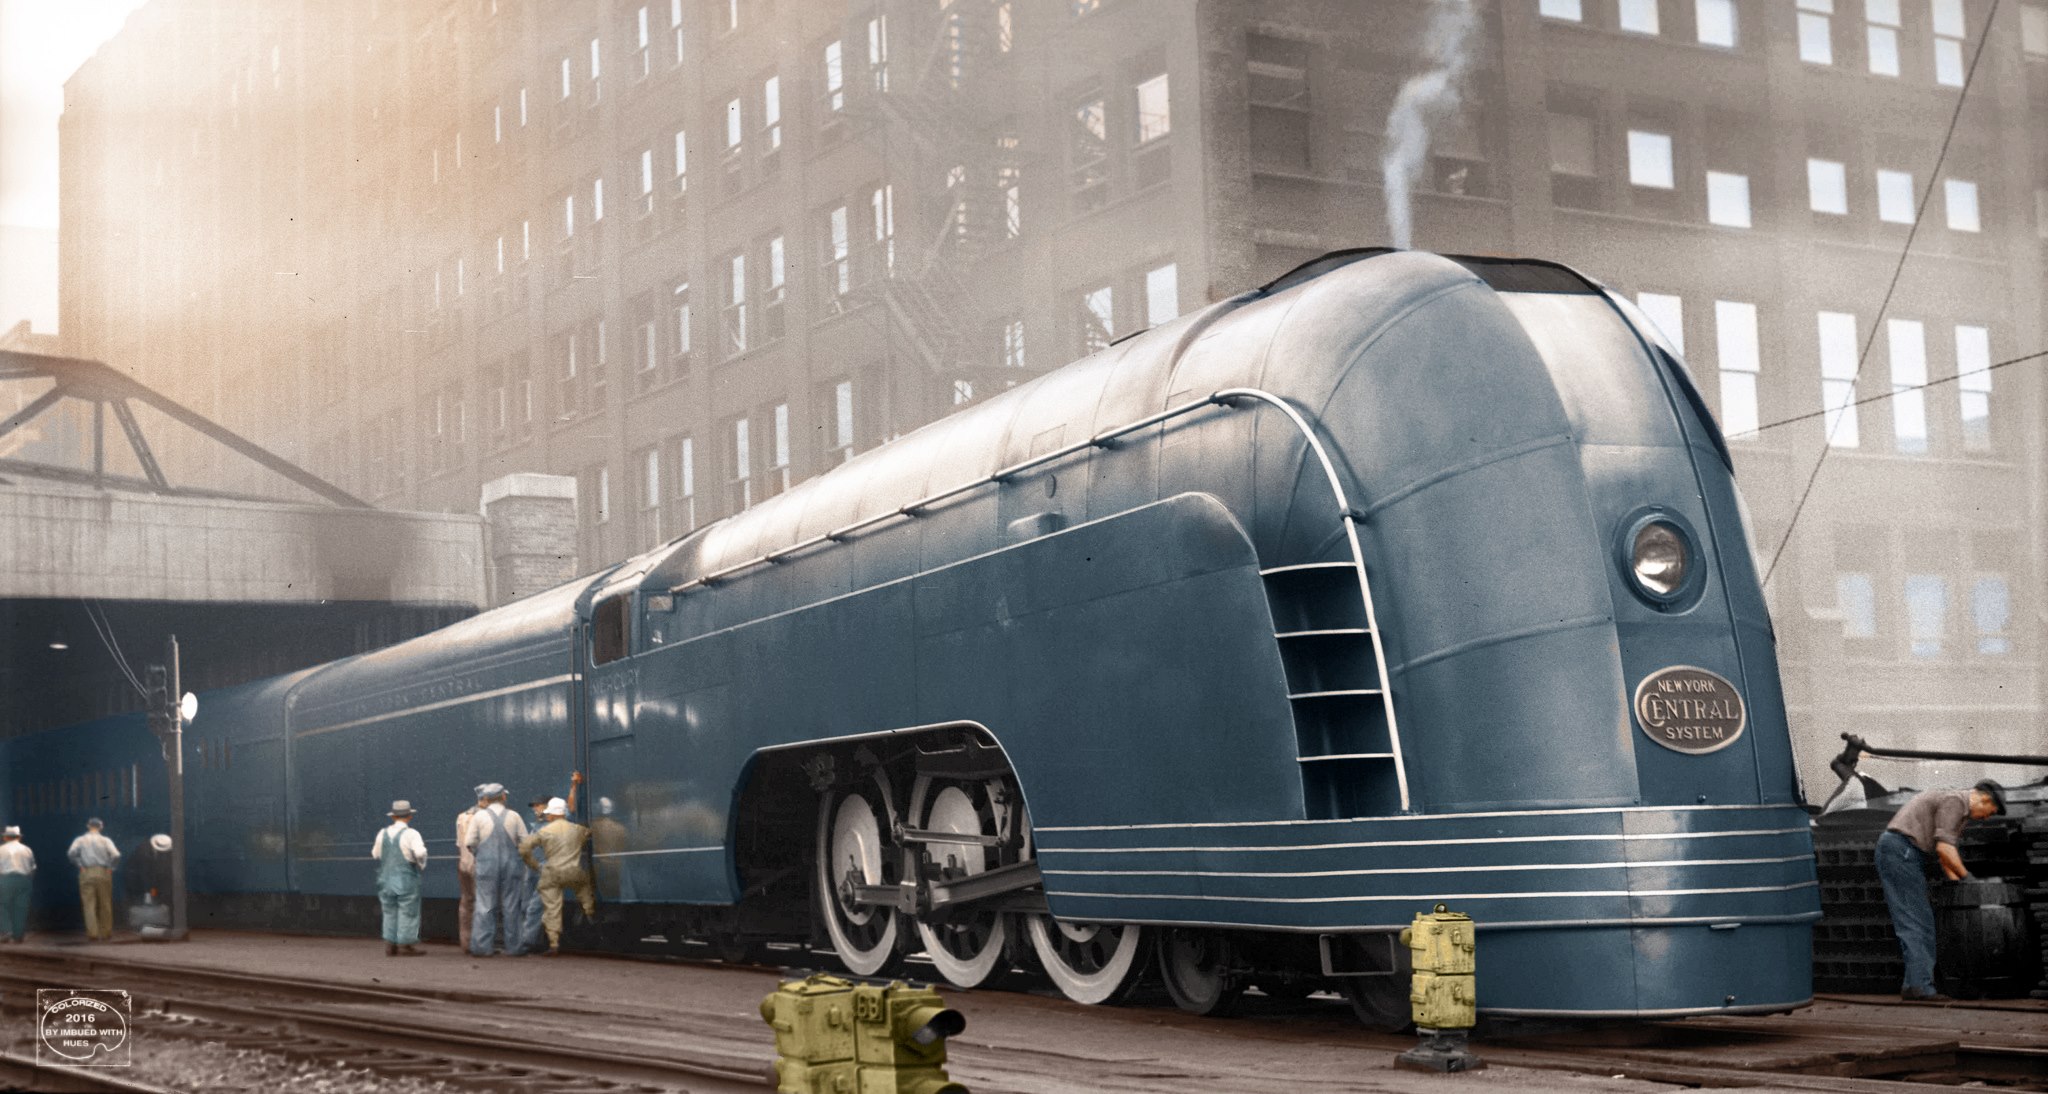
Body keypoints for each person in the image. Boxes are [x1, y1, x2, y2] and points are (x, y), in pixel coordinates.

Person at [1878, 780, 2006, 1001]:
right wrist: (1970, 880)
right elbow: (1945, 850)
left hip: (1901, 852)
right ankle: (1920, 988)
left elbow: (1947, 857)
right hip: (1901, 852)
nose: (1985, 818)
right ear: (1984, 799)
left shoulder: (1959, 809)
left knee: (1917, 920)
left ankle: (1913, 985)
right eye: (1988, 813)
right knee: (1917, 921)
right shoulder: (1955, 801)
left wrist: (1960, 885)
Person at [520, 796, 595, 956]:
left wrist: (535, 865)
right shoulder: (576, 828)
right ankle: (591, 915)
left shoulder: (544, 830)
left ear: (551, 814)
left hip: (552, 872)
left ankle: (543, 944)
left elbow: (525, 848)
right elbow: (589, 833)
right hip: (574, 871)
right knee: (585, 894)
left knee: (542, 908)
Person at [518, 772, 580, 956]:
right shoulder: (537, 823)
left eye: (538, 805)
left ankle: (527, 942)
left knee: (534, 907)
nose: (535, 808)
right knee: (529, 905)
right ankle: (542, 943)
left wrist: (574, 785)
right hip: (533, 869)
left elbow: (570, 806)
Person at [464, 783, 528, 956]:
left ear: (486, 799)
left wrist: (483, 855)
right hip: (511, 866)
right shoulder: (514, 816)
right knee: (512, 906)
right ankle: (514, 947)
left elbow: (470, 842)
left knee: (485, 905)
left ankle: (482, 947)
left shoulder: (479, 817)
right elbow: (525, 842)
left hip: (486, 866)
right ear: (504, 797)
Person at [372, 800, 428, 956]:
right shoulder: (412, 834)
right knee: (408, 910)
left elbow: (376, 854)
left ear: (393, 816)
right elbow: (420, 853)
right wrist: (420, 863)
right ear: (409, 816)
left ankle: (390, 944)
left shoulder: (382, 833)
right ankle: (405, 944)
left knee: (389, 910)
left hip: (385, 878)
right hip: (406, 878)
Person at [67, 818, 120, 942]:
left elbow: (71, 853)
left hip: (86, 871)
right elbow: (116, 855)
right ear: (101, 827)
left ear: (88, 826)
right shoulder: (106, 840)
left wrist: (79, 864)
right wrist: (111, 867)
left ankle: (93, 933)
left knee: (88, 904)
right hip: (103, 871)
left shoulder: (80, 840)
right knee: (105, 903)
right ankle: (106, 932)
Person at [455, 784, 488, 952]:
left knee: (466, 904)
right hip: (479, 865)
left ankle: (466, 942)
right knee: (483, 904)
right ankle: (480, 943)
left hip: (463, 864)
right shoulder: (485, 818)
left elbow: (460, 843)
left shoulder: (462, 817)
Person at [125, 835, 173, 930]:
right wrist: (149, 890)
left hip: (147, 879)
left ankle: (149, 924)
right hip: (135, 879)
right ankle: (140, 926)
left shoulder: (158, 852)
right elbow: (144, 873)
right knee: (139, 902)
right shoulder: (144, 852)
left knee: (149, 901)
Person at [0, 827, 35, 943]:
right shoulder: (27, 850)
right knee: (21, 908)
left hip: (5, 879)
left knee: (3, 905)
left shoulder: (1, 850)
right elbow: (33, 868)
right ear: (19, 837)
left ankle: (6, 930)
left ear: (5, 837)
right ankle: (18, 935)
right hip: (24, 880)